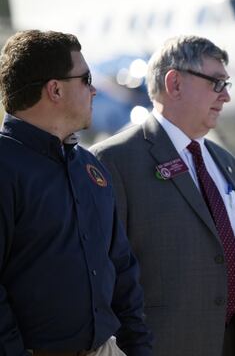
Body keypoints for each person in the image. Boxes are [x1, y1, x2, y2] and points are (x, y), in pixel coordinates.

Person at [90, 36, 235, 356]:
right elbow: (99, 274)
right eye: (217, 83)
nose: (227, 96)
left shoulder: (230, 166)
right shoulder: (113, 162)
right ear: (174, 83)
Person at [0, 30, 152, 355]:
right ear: (54, 89)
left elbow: (121, 268)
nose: (95, 90)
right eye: (86, 79)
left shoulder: (89, 167)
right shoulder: (5, 167)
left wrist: (138, 349)